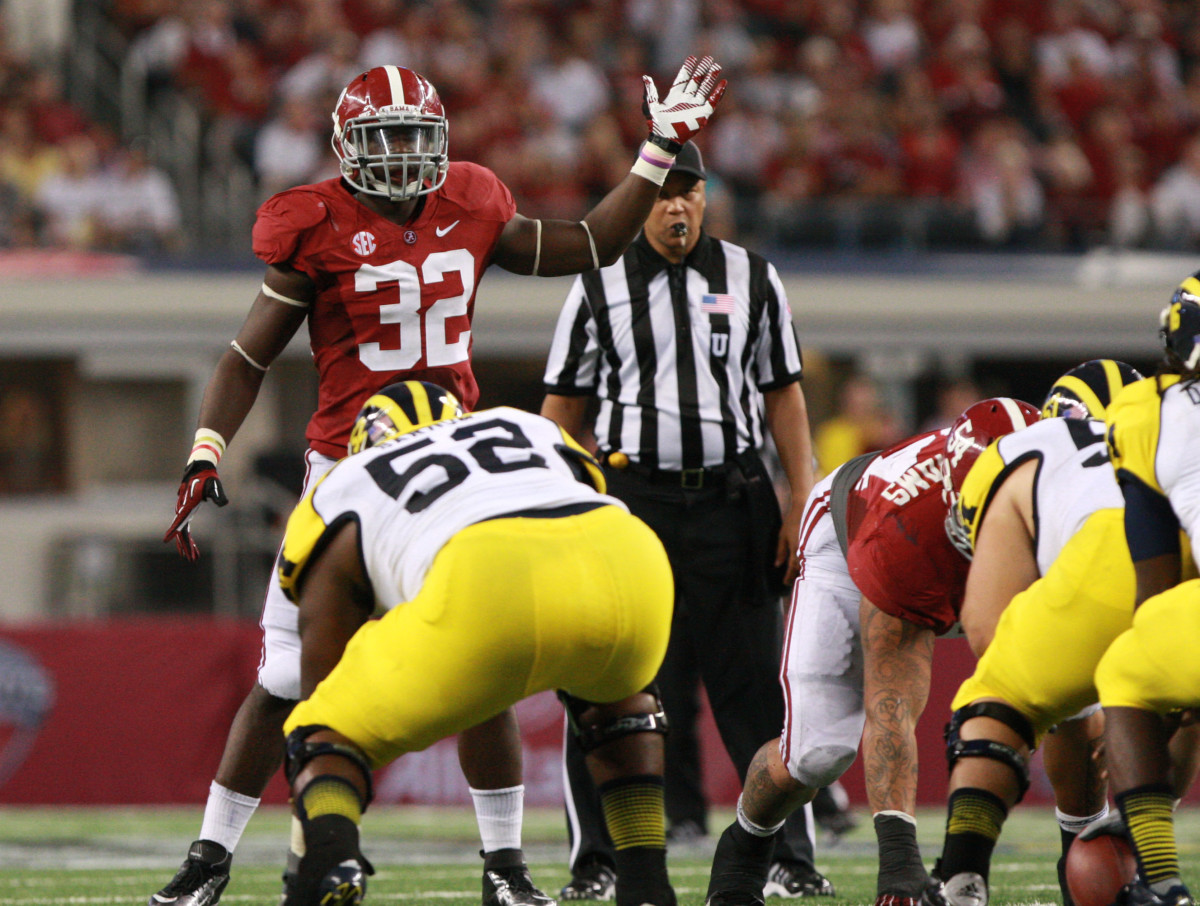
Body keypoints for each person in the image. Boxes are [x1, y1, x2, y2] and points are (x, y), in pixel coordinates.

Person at [152, 56, 727, 906]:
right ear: (347, 143)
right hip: (347, 470)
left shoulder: (473, 200)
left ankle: (504, 867)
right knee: (284, 680)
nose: (400, 155)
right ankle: (210, 858)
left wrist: (655, 151)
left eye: (414, 137)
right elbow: (248, 354)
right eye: (382, 138)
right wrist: (207, 447)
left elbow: (593, 243)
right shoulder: (310, 221)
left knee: (480, 662)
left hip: (451, 472)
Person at [541, 140, 829, 902]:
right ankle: (596, 859)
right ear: (640, 201)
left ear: (707, 198)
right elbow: (562, 412)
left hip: (734, 501)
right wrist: (569, 506)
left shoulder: (752, 276)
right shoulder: (597, 284)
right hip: (634, 505)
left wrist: (800, 498)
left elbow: (785, 396)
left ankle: (789, 857)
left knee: (757, 692)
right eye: (662, 193)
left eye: (688, 192)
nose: (675, 206)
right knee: (610, 683)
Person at [275, 381, 678, 906]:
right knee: (619, 708)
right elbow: (586, 487)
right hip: (630, 558)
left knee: (320, 734)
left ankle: (330, 863)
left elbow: (323, 656)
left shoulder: (350, 478)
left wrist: (329, 753)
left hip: (485, 574)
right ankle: (647, 883)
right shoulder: (523, 422)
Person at [703, 398, 1042, 906]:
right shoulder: (906, 527)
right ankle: (744, 847)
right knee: (817, 752)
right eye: (987, 501)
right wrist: (899, 862)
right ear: (956, 485)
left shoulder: (1058, 488)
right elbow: (890, 705)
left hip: (942, 553)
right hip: (851, 532)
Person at [920, 359, 1144, 906]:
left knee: (997, 706)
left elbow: (985, 621)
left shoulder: (1024, 447)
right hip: (1181, 579)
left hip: (1097, 565)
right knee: (1173, 714)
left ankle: (962, 875)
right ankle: (1155, 865)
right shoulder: (1170, 434)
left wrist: (1034, 700)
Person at [1093, 275, 1200, 906]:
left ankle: (1160, 879)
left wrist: (1174, 678)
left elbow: (1156, 585)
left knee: (1127, 672)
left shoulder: (1149, 412)